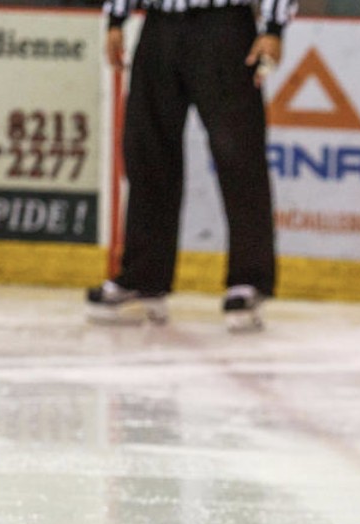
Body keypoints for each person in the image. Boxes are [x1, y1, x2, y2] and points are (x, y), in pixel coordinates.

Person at [87, 0, 297, 331]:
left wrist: (274, 27)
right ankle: (145, 278)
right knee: (147, 152)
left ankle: (249, 280)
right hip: (159, 24)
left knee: (238, 153)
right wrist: (116, 17)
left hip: (225, 25)